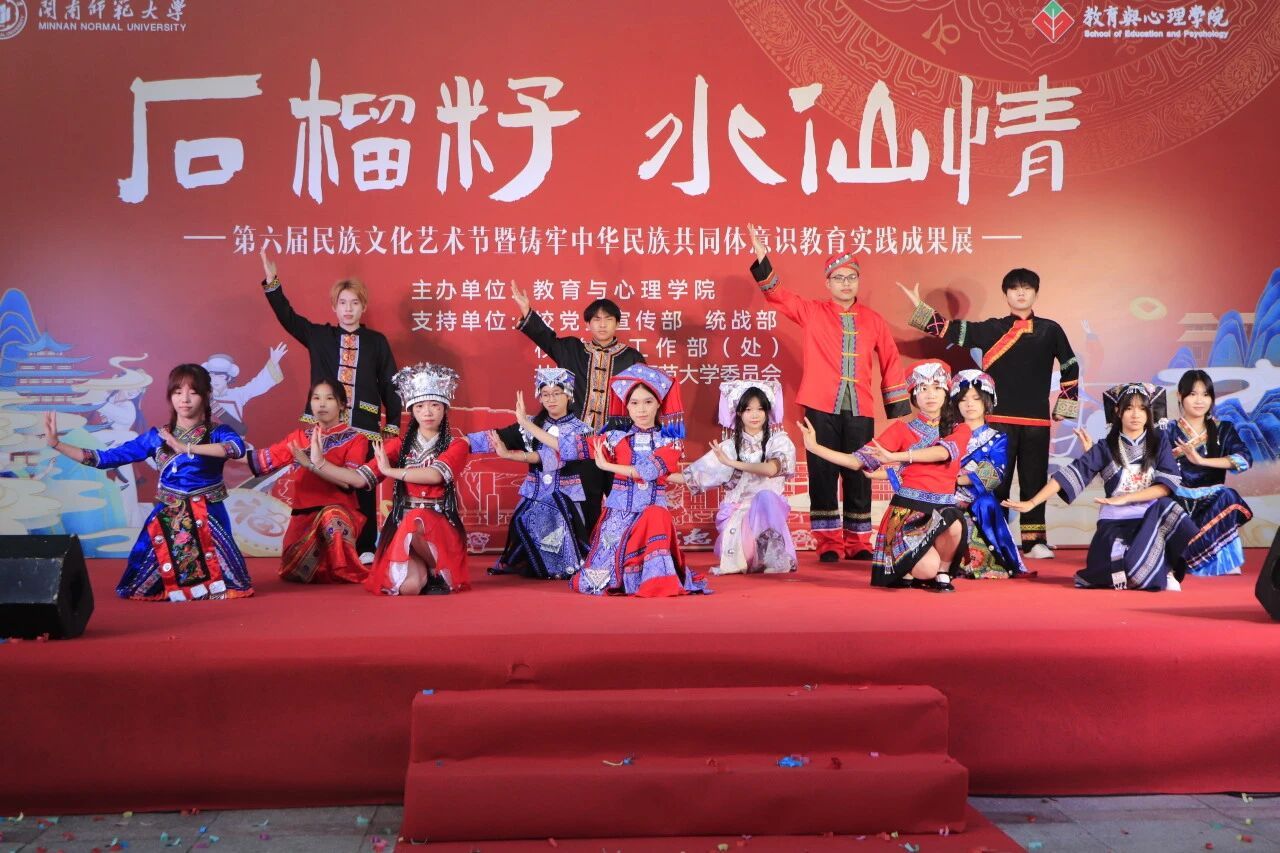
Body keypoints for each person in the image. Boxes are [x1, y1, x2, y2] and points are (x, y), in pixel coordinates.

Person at [746, 223, 910, 562]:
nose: (845, 283)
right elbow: (778, 295)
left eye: (851, 278)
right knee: (822, 472)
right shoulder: (811, 311)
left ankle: (859, 541)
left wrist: (895, 405)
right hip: (820, 405)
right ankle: (829, 543)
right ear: (828, 283)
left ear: (858, 282)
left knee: (860, 472)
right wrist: (763, 259)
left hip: (860, 407)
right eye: (838, 278)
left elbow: (891, 358)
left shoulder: (873, 320)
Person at [900, 269, 1079, 559]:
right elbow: (951, 330)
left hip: (1036, 420)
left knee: (1034, 480)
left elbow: (1070, 364)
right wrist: (920, 307)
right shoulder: (992, 328)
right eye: (1014, 288)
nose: (1021, 293)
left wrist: (1065, 404)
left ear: (1036, 293)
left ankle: (1034, 542)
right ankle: (994, 539)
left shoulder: (1051, 329)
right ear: (1006, 294)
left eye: (1027, 288)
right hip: (997, 421)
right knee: (995, 481)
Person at [44, 364, 253, 601]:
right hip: (168, 515)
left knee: (230, 583)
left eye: (193, 392)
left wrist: (187, 448)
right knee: (140, 585)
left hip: (208, 514)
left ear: (207, 396)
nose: (184, 399)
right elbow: (105, 458)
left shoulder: (219, 433)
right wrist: (57, 444)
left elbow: (236, 449)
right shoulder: (156, 437)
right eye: (177, 392)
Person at [259, 248, 399, 560]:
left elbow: (390, 385)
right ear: (333, 307)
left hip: (364, 425)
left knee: (363, 484)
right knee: (317, 480)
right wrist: (273, 283)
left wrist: (391, 426)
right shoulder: (318, 335)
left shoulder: (377, 342)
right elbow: (287, 317)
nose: (348, 309)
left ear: (364, 307)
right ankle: (319, 546)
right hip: (322, 426)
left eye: (354, 303)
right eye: (342, 303)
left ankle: (364, 547)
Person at [798, 360, 970, 592]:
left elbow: (942, 453)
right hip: (908, 513)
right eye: (923, 389)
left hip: (942, 509)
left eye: (937, 388)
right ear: (914, 396)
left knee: (954, 521)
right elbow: (857, 461)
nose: (931, 395)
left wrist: (896, 456)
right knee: (925, 570)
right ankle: (918, 568)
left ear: (946, 392)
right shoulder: (901, 430)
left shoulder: (959, 429)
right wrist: (816, 448)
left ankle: (943, 573)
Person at [1004, 383, 1195, 591]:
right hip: (1115, 524)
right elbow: (1068, 475)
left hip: (1149, 518)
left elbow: (1165, 487)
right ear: (1118, 411)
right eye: (1129, 408)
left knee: (1168, 507)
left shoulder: (1159, 443)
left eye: (1142, 408)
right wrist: (1032, 503)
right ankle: (1153, 571)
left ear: (1149, 412)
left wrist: (1125, 498)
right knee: (1120, 566)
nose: (1135, 414)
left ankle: (1165, 570)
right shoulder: (1105, 447)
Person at [548, 364, 708, 597]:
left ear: (659, 404)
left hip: (651, 511)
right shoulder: (616, 438)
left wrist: (608, 466)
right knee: (596, 581)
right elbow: (572, 447)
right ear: (627, 406)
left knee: (656, 516)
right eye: (634, 403)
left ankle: (654, 581)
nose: (641, 409)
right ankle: (633, 580)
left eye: (648, 402)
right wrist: (528, 425)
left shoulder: (669, 443)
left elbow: (647, 471)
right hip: (618, 512)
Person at [310, 363, 469, 595]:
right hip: (405, 530)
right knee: (409, 588)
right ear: (412, 410)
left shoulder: (456, 445)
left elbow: (434, 475)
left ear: (445, 408)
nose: (427, 412)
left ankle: (436, 571)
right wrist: (320, 463)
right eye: (420, 406)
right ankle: (428, 575)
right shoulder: (398, 446)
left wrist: (391, 471)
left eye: (435, 405)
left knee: (417, 519)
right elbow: (359, 479)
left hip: (440, 527)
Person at [510, 283, 645, 533]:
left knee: (623, 501)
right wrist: (527, 311)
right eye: (596, 319)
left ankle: (621, 549)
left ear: (617, 323)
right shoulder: (573, 350)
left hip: (618, 442)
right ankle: (584, 549)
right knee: (586, 502)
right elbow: (547, 340)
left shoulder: (632, 358)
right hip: (580, 443)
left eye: (608, 319)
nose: (602, 325)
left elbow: (643, 399)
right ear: (588, 324)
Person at [466, 367, 593, 580]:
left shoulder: (582, 430)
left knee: (553, 515)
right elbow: (497, 437)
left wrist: (512, 452)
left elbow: (555, 456)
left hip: (566, 499)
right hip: (533, 494)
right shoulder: (531, 424)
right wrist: (461, 443)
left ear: (569, 395)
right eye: (545, 394)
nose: (551, 399)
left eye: (557, 393)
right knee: (526, 523)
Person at [247, 379, 370, 584]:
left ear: (342, 404)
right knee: (292, 571)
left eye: (329, 398)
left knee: (332, 518)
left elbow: (348, 482)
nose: (321, 404)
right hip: (303, 517)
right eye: (316, 398)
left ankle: (341, 566)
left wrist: (312, 465)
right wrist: (225, 451)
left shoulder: (356, 439)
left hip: (339, 512)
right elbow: (262, 459)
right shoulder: (299, 437)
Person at [677, 379, 797, 575]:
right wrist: (657, 475)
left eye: (760, 409)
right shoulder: (729, 447)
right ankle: (752, 556)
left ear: (767, 412)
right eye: (748, 410)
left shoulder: (779, 442)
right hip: (739, 516)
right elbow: (694, 477)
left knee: (765, 496)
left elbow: (770, 469)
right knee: (747, 553)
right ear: (739, 413)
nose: (755, 415)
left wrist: (733, 463)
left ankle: (775, 558)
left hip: (768, 513)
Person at [1162, 369, 1253, 576]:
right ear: (1180, 396)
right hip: (1177, 497)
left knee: (1228, 496)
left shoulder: (1224, 429)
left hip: (1212, 499)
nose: (1199, 400)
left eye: (1205, 394)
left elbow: (1244, 460)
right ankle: (1189, 558)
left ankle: (1202, 558)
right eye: (1193, 394)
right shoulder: (1168, 429)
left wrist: (1202, 461)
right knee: (1159, 502)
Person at [949, 370, 1031, 580]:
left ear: (987, 402)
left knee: (985, 503)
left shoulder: (997, 438)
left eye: (976, 398)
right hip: (946, 493)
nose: (969, 404)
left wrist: (957, 480)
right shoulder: (948, 434)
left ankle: (986, 563)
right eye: (963, 399)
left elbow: (994, 473)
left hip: (977, 497)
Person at [203, 344, 288, 436]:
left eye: (221, 376)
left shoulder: (237, 394)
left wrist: (273, 361)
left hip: (233, 441)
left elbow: (257, 384)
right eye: (212, 376)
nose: (215, 380)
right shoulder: (202, 397)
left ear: (229, 378)